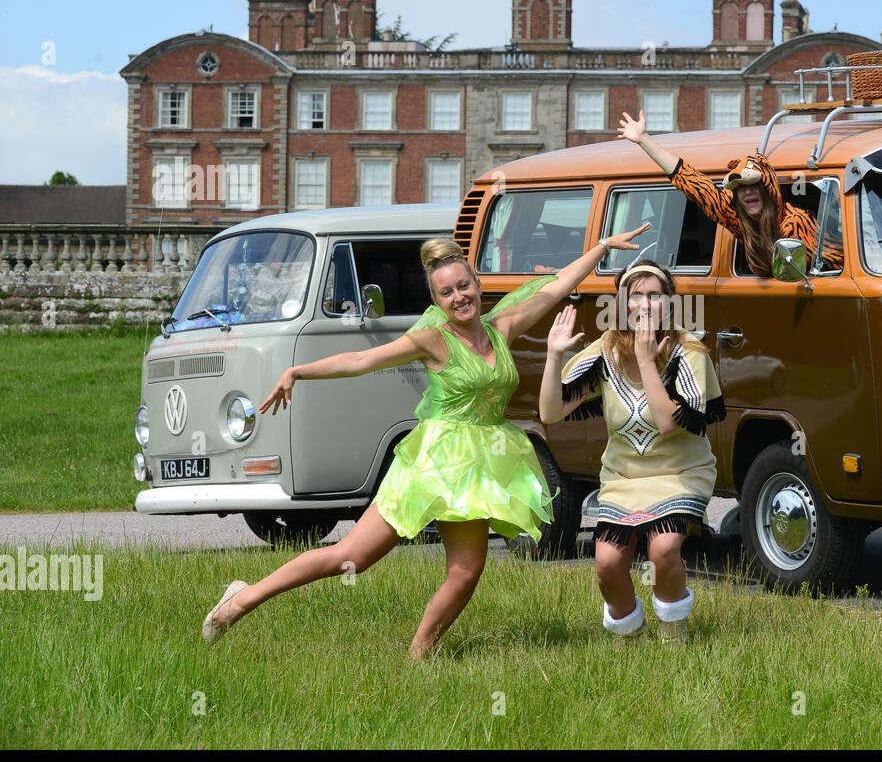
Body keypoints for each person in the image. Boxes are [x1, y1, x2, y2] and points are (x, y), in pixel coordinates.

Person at [201, 225, 650, 659]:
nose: (459, 298)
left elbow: (554, 288)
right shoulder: (433, 340)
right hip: (432, 463)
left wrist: (602, 246)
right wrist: (298, 372)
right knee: (351, 557)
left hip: (479, 467)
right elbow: (361, 359)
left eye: (464, 286)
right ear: (436, 300)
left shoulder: (501, 328)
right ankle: (241, 600)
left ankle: (417, 657)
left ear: (476, 282)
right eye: (447, 293)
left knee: (467, 570)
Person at [538, 259, 725, 643]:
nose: (644, 304)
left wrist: (645, 358)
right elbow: (550, 412)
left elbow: (668, 423)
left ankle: (674, 635)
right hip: (623, 478)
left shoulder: (690, 351)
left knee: (664, 548)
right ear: (622, 304)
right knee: (607, 563)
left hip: (680, 472)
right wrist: (554, 355)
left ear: (669, 304)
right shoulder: (605, 349)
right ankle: (631, 638)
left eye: (654, 296)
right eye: (635, 296)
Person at [617, 110, 844, 276]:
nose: (748, 193)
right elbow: (694, 183)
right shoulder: (738, 218)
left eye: (755, 185)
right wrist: (643, 139)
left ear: (769, 190)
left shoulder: (793, 223)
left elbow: (816, 273)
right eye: (740, 188)